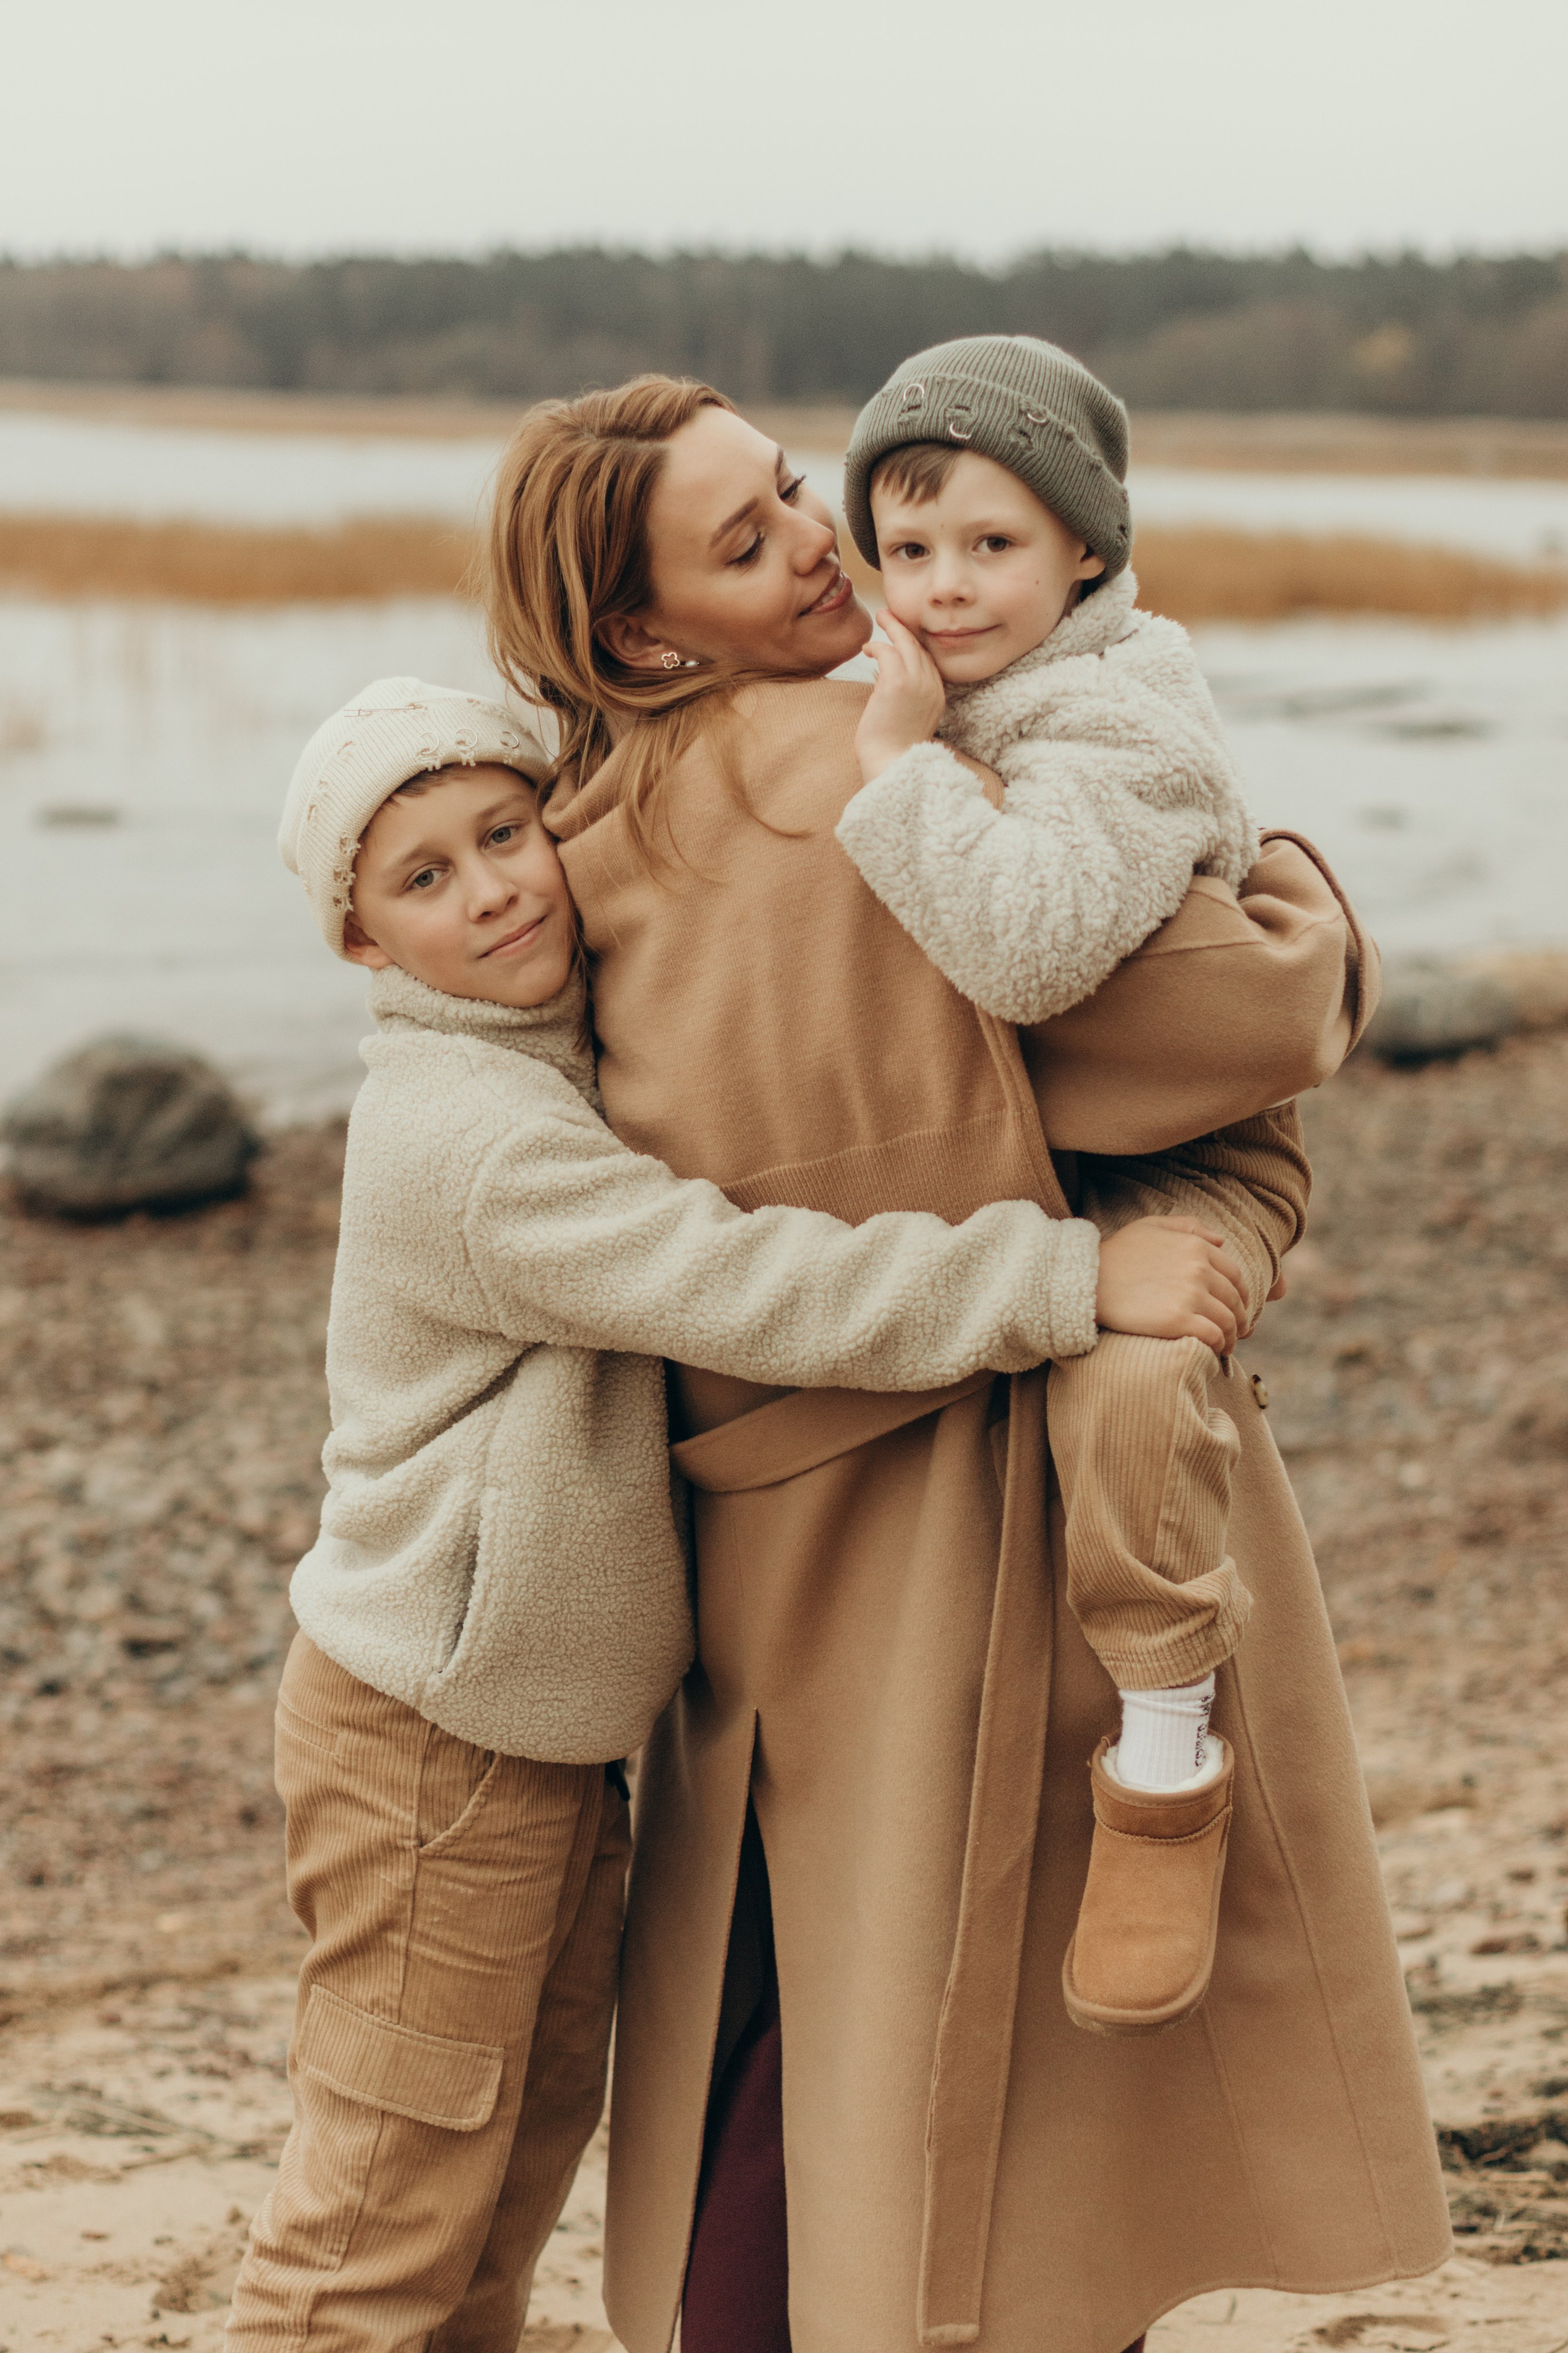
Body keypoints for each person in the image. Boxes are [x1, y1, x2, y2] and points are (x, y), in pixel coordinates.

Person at [484, 378, 1450, 2353]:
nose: (828, 546)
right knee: (991, 2068)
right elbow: (1231, 1016)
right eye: (751, 542)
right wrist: (1309, 902)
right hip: (957, 1506)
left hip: (761, 1523)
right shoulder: (850, 768)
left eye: (789, 489)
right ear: (653, 630)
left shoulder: (594, 814)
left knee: (781, 2001)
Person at [225, 675, 1240, 2351]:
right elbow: (744, 1278)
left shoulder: (552, 1048)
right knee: (379, 2220)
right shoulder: (469, 1137)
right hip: (426, 1749)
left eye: (505, 832)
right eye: (423, 878)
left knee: (498, 2191)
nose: (491, 888)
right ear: (361, 947)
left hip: (528, 1737)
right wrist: (1073, 1271)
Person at [832, 331, 1278, 2036]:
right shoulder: (976, 684)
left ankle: (1169, 1744)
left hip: (1183, 1148)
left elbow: (1021, 947)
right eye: (911, 547)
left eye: (994, 546)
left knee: (1137, 1385)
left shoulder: (1117, 718)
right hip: (1061, 1153)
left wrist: (893, 763)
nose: (943, 589)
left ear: (1087, 547)